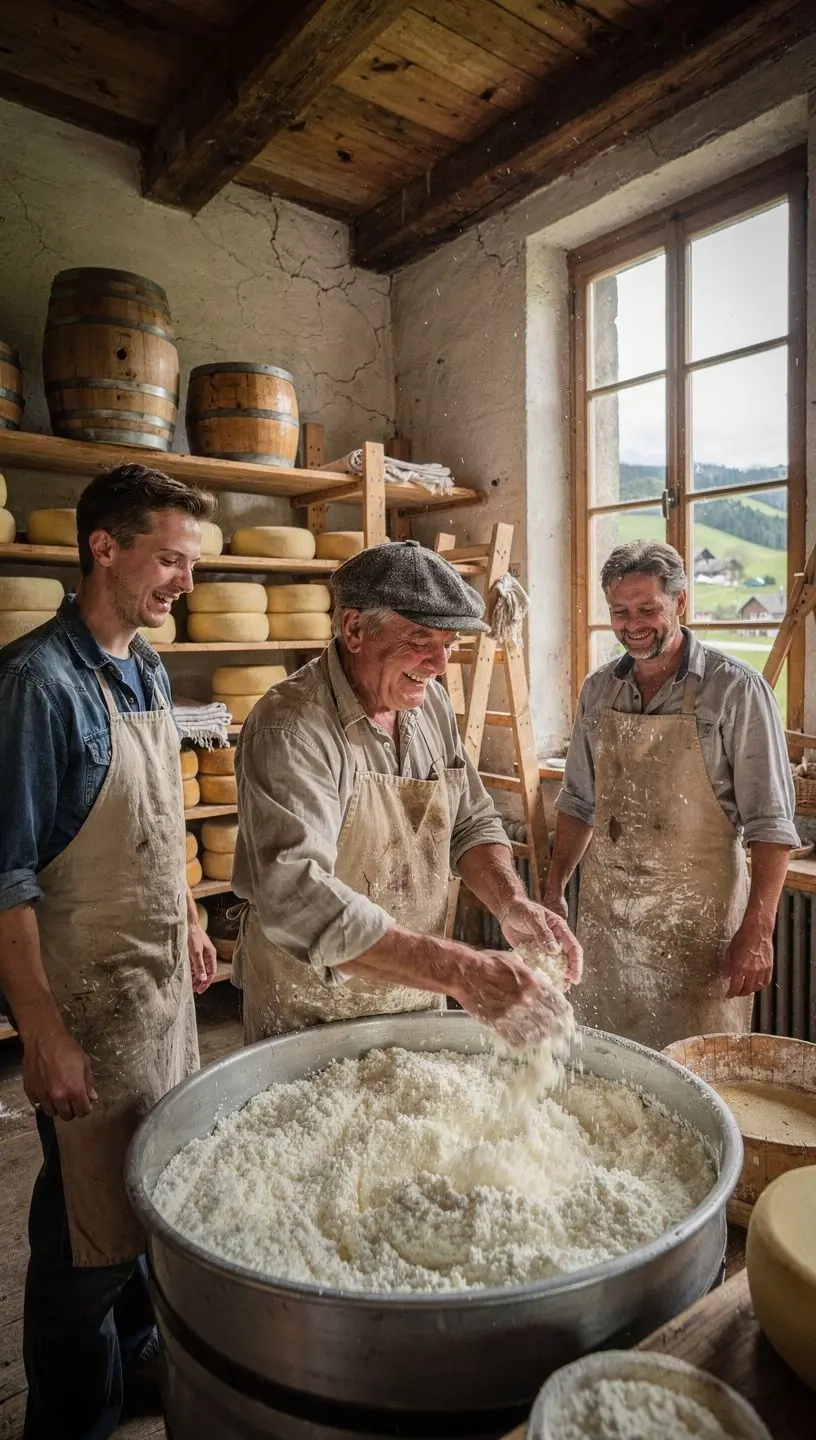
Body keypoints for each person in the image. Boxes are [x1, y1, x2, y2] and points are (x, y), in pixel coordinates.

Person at [0, 463, 218, 1440]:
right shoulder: (36, 685)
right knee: (84, 1239)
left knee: (149, 1187)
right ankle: (69, 1418)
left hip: (158, 986)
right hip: (84, 998)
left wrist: (193, 918)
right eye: (171, 560)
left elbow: (157, 824)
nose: (186, 582)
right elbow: (6, 875)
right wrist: (39, 1031)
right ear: (104, 547)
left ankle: (136, 1366)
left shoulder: (144, 664)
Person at [232, 539, 581, 1043]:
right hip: (311, 1010)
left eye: (449, 642)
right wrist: (461, 969)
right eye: (420, 638)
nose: (440, 663)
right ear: (354, 629)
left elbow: (470, 822)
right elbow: (296, 895)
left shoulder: (429, 704)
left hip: (415, 993)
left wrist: (511, 904)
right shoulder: (292, 728)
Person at [544, 540, 798, 1050]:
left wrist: (759, 929)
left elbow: (771, 824)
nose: (631, 624)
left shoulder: (736, 691)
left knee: (692, 1079)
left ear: (680, 603)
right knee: (605, 1079)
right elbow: (578, 802)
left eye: (647, 609)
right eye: (619, 611)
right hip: (609, 927)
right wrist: (552, 891)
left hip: (696, 937)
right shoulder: (598, 691)